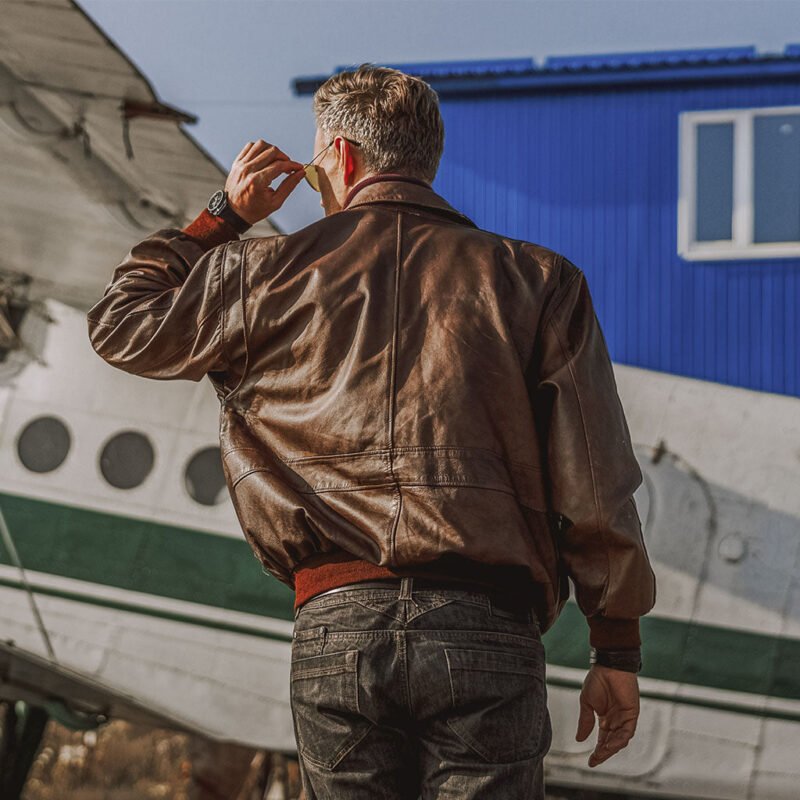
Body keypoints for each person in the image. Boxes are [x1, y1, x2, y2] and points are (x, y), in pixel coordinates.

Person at [86, 63, 656, 799]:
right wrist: (617, 648)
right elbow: (595, 478)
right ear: (427, 156)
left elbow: (121, 325)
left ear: (343, 159)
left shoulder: (259, 274)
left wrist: (222, 215)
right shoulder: (540, 280)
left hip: (336, 625)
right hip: (485, 628)